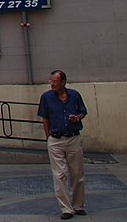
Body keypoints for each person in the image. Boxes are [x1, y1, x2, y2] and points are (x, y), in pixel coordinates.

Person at [37, 69, 88, 219]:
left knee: (77, 173)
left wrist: (77, 117)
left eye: (55, 81)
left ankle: (78, 205)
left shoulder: (74, 95)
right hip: (56, 139)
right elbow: (45, 118)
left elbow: (83, 111)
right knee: (59, 175)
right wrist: (48, 137)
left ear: (63, 82)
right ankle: (66, 208)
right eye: (51, 81)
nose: (52, 84)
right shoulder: (46, 97)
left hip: (73, 138)